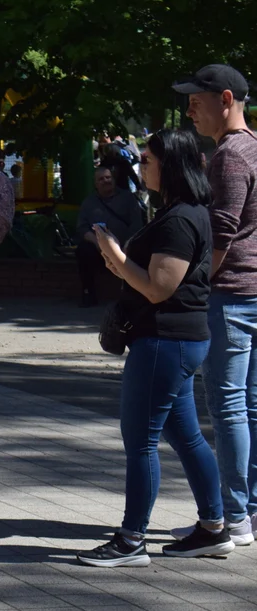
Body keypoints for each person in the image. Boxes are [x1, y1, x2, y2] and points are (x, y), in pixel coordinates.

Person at [77, 128, 230, 567]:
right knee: (184, 435)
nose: (140, 165)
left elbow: (158, 289)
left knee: (140, 439)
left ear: (172, 165)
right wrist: (118, 259)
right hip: (177, 340)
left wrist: (114, 253)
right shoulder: (183, 212)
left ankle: (131, 541)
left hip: (166, 340)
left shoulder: (181, 219)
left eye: (147, 159)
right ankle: (212, 528)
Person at [172, 64, 257, 547]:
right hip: (254, 292)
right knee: (250, 405)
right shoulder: (255, 148)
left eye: (195, 100)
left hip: (230, 295)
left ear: (226, 98)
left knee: (228, 407)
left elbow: (221, 233)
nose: (190, 110)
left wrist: (197, 281)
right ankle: (250, 512)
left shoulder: (228, 156)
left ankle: (234, 516)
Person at [75, 166, 145, 307]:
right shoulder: (89, 202)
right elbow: (82, 228)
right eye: (101, 179)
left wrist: (127, 244)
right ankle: (88, 293)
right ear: (95, 183)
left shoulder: (127, 198)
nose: (106, 181)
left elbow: (137, 225)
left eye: (108, 177)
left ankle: (135, 294)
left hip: (125, 246)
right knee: (83, 251)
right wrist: (97, 242)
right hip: (99, 248)